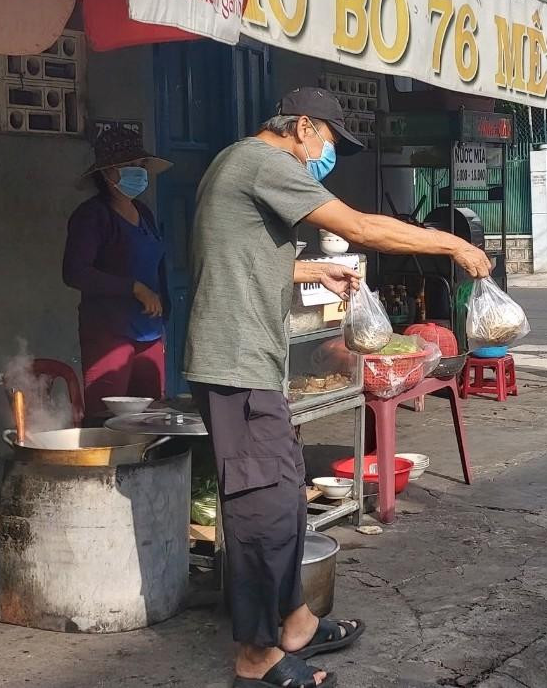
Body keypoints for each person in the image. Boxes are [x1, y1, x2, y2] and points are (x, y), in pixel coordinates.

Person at [185, 88, 493, 688]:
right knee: (262, 510)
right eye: (327, 142)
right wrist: (453, 242)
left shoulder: (237, 164)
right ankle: (255, 655)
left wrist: (303, 268)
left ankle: (295, 621)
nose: (325, 156)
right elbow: (358, 226)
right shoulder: (265, 161)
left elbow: (233, 252)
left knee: (285, 497)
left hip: (247, 360)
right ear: (303, 127)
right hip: (236, 364)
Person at [63, 125, 171, 424]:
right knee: (108, 421)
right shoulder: (92, 216)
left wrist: (164, 312)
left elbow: (157, 262)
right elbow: (75, 272)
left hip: (149, 331)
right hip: (108, 332)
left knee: (152, 420)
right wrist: (133, 288)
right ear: (107, 174)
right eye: (129, 167)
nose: (138, 172)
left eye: (140, 166)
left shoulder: (144, 213)